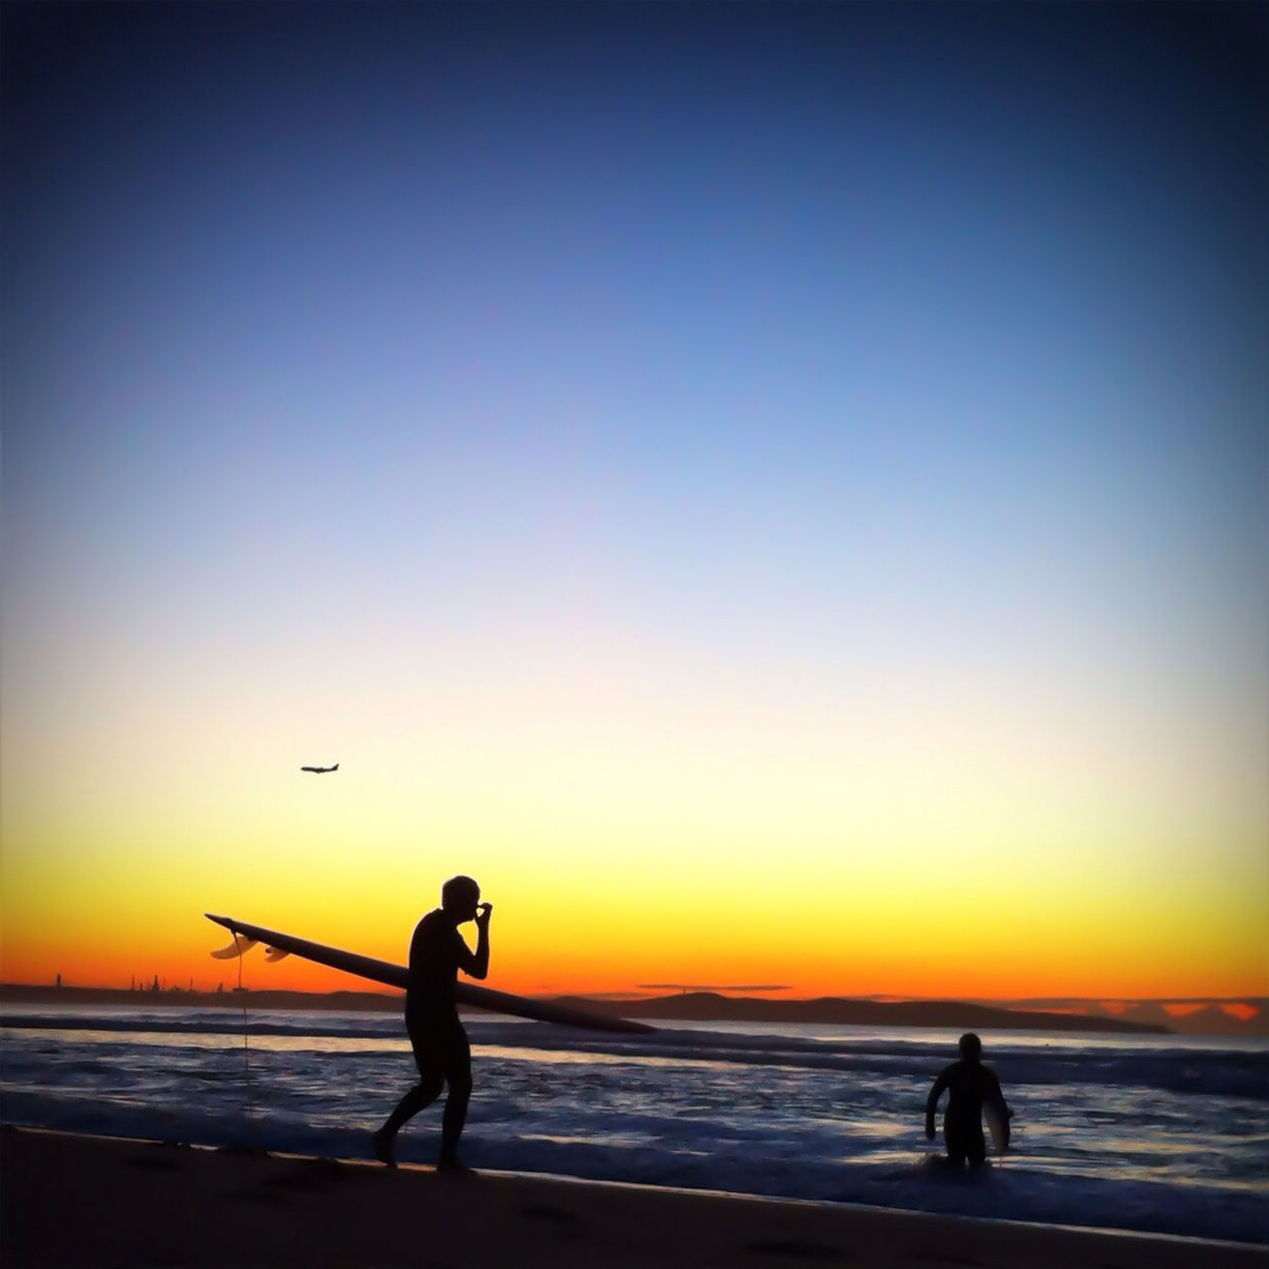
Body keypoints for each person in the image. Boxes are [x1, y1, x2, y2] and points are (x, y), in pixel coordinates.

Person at [373, 875, 492, 1172]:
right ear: (460, 901)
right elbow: (479, 970)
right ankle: (446, 1158)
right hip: (436, 1017)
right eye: (473, 899)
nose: (476, 905)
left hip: (420, 1013)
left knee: (431, 1085)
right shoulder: (445, 932)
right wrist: (484, 928)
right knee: (459, 1085)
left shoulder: (432, 924)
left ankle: (386, 1136)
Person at [924, 1032, 1011, 1168]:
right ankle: (935, 1169)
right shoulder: (983, 1074)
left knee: (960, 1164)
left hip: (960, 1124)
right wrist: (1005, 1137)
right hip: (965, 1125)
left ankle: (933, 1169)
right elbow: (1000, 1108)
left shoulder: (957, 1071)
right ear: (979, 1050)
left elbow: (933, 1097)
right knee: (972, 1165)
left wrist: (930, 1124)